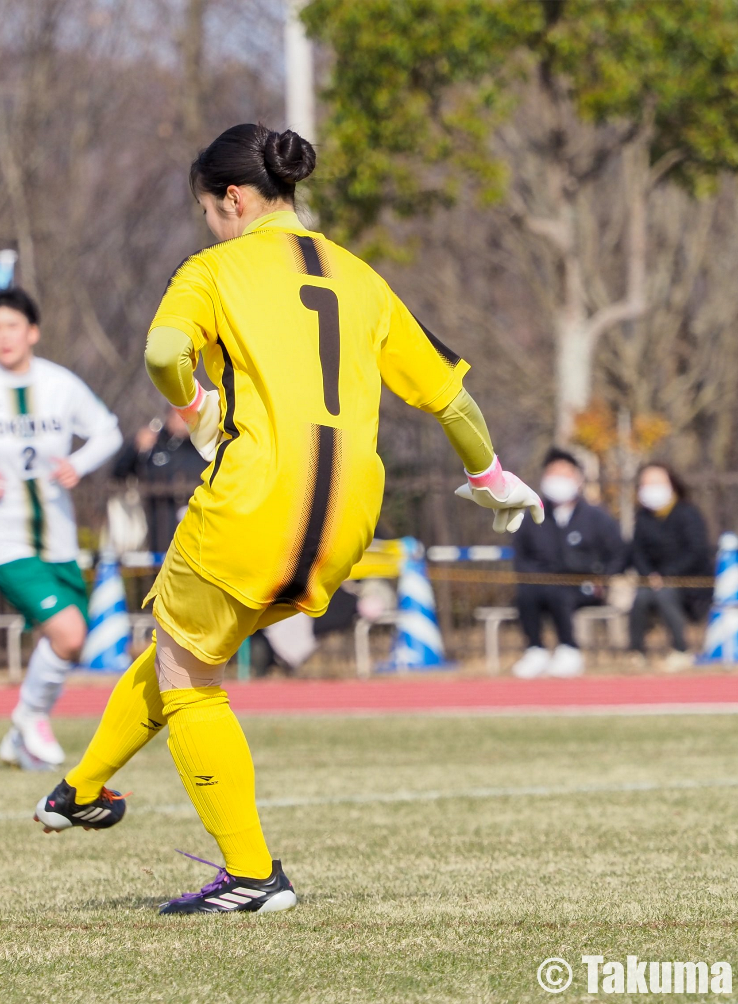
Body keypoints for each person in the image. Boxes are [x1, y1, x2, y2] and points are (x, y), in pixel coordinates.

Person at [31, 123, 542, 915]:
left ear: (232, 199)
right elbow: (450, 395)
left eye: (207, 209)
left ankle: (251, 876)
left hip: (254, 499)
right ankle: (81, 789)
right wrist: (491, 475)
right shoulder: (362, 277)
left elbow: (165, 354)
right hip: (347, 516)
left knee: (190, 676)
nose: (207, 223)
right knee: (184, 643)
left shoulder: (212, 270)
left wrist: (195, 404)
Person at [0, 286, 123, 768]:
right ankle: (30, 718)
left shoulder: (59, 384)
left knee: (63, 642)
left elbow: (107, 430)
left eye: (12, 326)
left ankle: (20, 738)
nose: (3, 337)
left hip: (58, 535)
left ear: (32, 332)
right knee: (70, 634)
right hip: (3, 538)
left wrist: (79, 462)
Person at [510, 449, 626, 678]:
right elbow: (521, 556)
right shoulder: (532, 516)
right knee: (525, 594)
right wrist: (534, 577)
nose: (558, 481)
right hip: (540, 584)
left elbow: (617, 553)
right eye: (553, 474)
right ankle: (535, 649)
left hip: (583, 585)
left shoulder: (597, 517)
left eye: (565, 475)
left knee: (560, 594)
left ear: (578, 479)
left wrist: (603, 577)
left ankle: (569, 648)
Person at [628, 462, 713, 671]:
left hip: (690, 583)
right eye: (646, 483)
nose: (651, 488)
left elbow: (696, 551)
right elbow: (636, 552)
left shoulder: (688, 513)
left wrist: (668, 574)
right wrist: (649, 575)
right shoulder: (642, 518)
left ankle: (681, 649)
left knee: (665, 595)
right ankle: (636, 652)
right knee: (641, 597)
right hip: (654, 582)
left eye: (657, 482)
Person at [112, 410, 209, 554]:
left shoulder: (207, 446)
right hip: (159, 533)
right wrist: (135, 447)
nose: (183, 419)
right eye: (178, 413)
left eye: (188, 413)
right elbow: (118, 473)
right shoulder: (155, 444)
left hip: (201, 534)